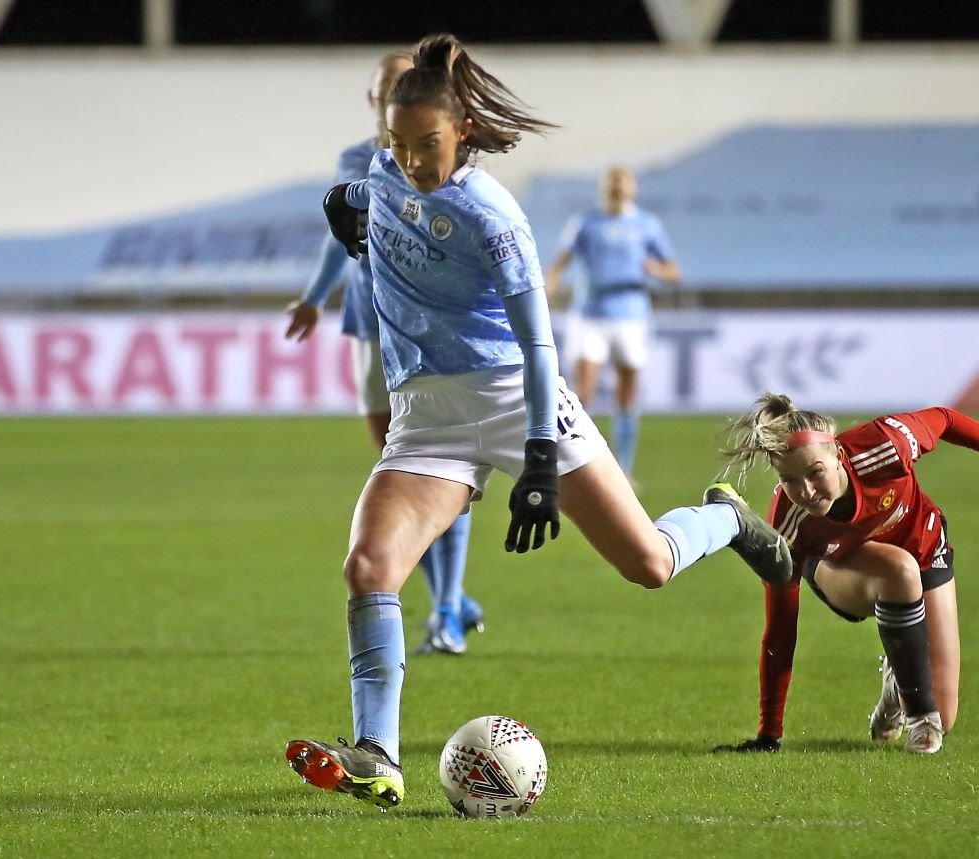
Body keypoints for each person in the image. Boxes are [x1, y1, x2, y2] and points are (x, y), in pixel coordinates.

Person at [284, 32, 792, 811]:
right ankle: (378, 753)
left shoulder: (491, 215)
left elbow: (540, 340)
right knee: (368, 569)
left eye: (429, 144)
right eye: (397, 143)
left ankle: (724, 520)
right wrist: (338, 202)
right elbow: (361, 195)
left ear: (462, 134)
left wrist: (540, 459)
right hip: (426, 414)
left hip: (516, 393)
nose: (413, 159)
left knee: (647, 564)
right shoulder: (384, 172)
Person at [711, 393, 979, 755]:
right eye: (789, 480)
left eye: (815, 473)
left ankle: (897, 681)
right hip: (841, 573)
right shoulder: (789, 523)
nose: (805, 491)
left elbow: (944, 418)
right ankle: (921, 718)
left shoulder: (887, 444)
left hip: (926, 550)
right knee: (899, 571)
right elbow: (780, 629)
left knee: (946, 716)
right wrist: (769, 734)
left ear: (837, 455)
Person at [282, 50, 483, 656]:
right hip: (369, 321)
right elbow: (336, 240)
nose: (392, 91)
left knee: (437, 461)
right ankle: (453, 598)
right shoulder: (356, 161)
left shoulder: (438, 163)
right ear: (375, 98)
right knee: (397, 462)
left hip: (426, 326)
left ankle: (447, 608)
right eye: (384, 86)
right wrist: (315, 298)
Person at [544, 166, 680, 481]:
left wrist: (657, 270)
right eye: (612, 185)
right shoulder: (586, 223)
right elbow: (560, 262)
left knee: (627, 393)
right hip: (590, 316)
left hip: (631, 317)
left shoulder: (646, 224)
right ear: (604, 189)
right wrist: (547, 289)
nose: (617, 190)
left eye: (622, 184)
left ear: (632, 189)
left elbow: (674, 271)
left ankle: (624, 469)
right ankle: (579, 467)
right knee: (583, 393)